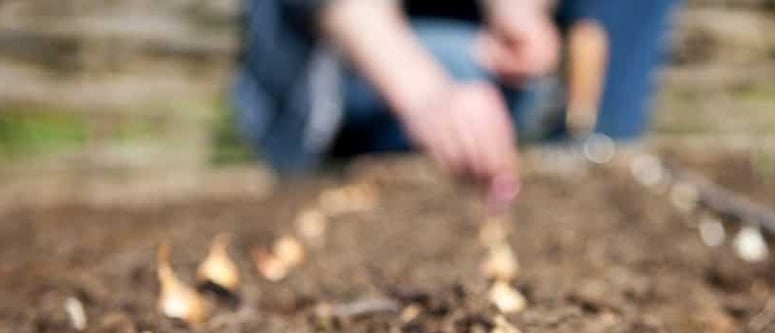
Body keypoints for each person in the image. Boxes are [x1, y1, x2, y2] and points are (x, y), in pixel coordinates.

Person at [234, 0, 678, 201]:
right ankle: (372, 174)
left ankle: (593, 159)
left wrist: (519, 10)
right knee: (465, 73)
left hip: (469, 39)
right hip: (340, 54)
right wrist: (428, 96)